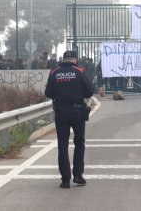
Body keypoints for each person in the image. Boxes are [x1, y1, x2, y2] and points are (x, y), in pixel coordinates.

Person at [45, 50, 94, 189]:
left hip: (61, 111)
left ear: (63, 59)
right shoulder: (79, 71)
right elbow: (89, 92)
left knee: (62, 145)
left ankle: (65, 180)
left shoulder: (54, 72)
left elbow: (48, 93)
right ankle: (78, 175)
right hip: (77, 111)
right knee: (79, 143)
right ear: (75, 59)